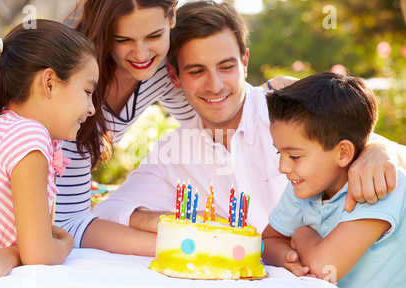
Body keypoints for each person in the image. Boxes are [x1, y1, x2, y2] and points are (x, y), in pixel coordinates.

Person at [95, 1, 405, 240]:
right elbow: (108, 212)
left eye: (226, 66)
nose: (215, 85)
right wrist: (166, 219)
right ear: (175, 77)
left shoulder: (292, 114)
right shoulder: (173, 152)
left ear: (244, 61)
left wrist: (380, 149)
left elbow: (385, 155)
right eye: (197, 71)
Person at [56, 0, 292, 250]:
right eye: (123, 40)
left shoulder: (161, 72)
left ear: (171, 20)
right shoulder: (74, 81)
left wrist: (279, 97)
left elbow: (219, 105)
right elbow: (69, 224)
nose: (142, 54)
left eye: (154, 35)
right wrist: (188, 237)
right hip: (41, 219)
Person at [0, 19, 133, 279]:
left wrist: (13, 254)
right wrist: (68, 242)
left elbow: (36, 243)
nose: (92, 108)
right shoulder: (28, 136)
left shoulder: (6, 127)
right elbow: (40, 255)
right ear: (49, 82)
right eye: (87, 91)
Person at [261, 72, 405, 288]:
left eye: (295, 156)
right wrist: (288, 259)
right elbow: (268, 241)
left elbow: (325, 268)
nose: (283, 167)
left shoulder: (378, 186)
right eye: (280, 152)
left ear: (343, 153)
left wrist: (301, 235)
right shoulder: (303, 186)